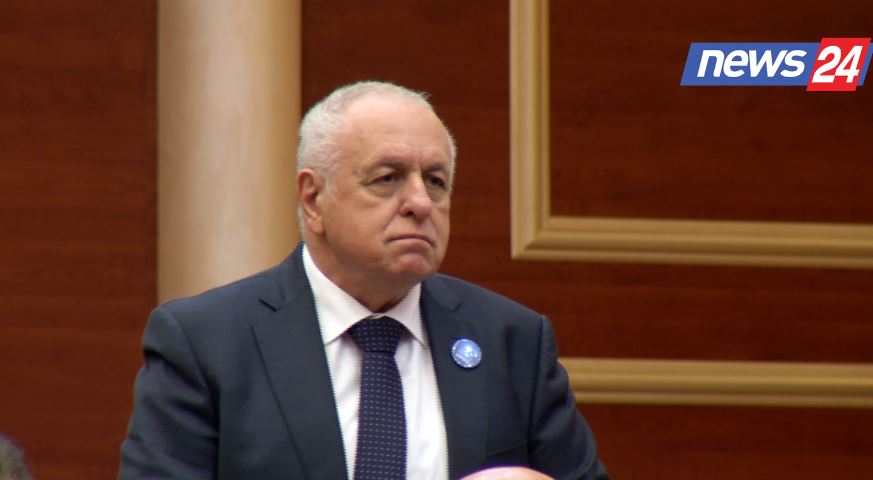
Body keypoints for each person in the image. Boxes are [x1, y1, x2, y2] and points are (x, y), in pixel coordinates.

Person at [119, 81, 609, 480]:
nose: (420, 203)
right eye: (388, 178)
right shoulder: (207, 343)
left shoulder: (511, 341)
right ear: (313, 199)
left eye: (436, 181)